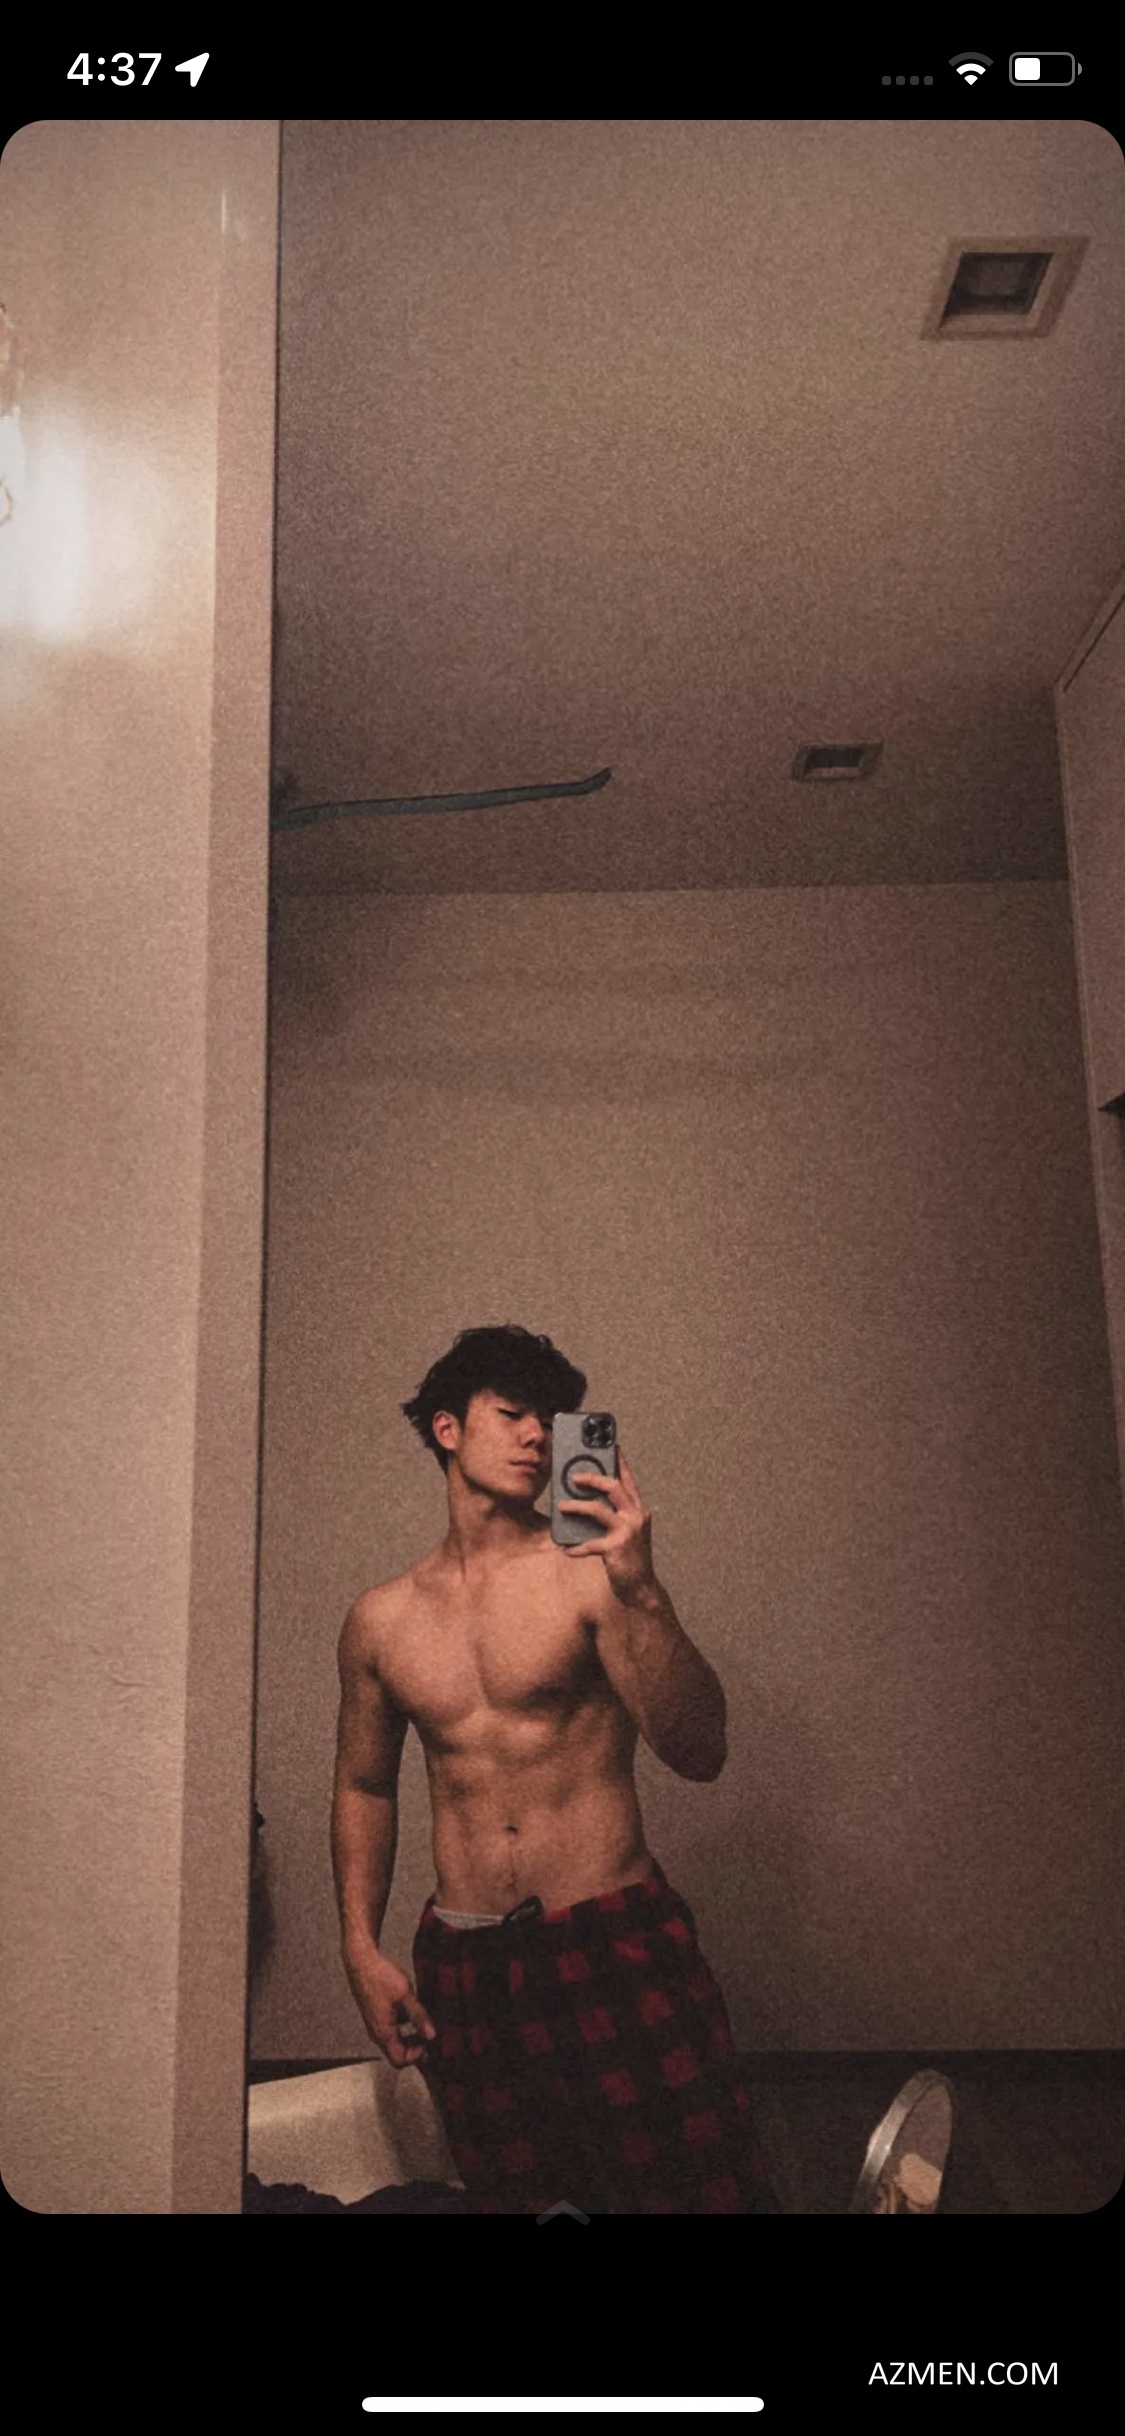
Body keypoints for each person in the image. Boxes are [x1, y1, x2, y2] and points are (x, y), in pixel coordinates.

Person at [330, 1323, 774, 2215]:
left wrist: (642, 1591)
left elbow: (700, 1752)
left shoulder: (589, 1576)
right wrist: (359, 1947)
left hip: (611, 1938)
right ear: (447, 1428)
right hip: (467, 1962)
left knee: (696, 2189)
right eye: (512, 1413)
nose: (537, 1434)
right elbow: (363, 1786)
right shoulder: (381, 1619)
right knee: (523, 2204)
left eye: (550, 1418)